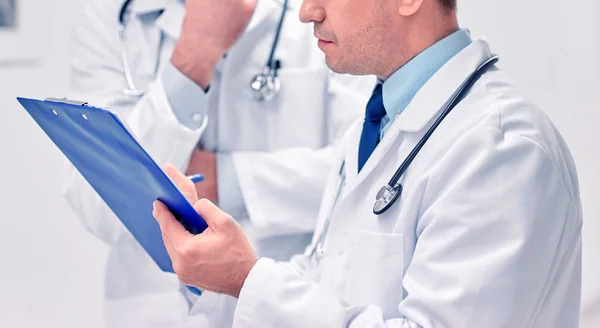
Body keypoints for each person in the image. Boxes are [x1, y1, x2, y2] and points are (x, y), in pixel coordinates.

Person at [152, 0, 583, 326]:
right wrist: (217, 274)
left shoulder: (501, 150)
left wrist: (247, 281)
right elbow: (327, 276)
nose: (307, 11)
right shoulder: (379, 122)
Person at [63, 0, 374, 326]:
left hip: (281, 302)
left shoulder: (327, 11)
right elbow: (98, 204)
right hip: (150, 306)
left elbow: (367, 174)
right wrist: (192, 58)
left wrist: (229, 180)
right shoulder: (113, 19)